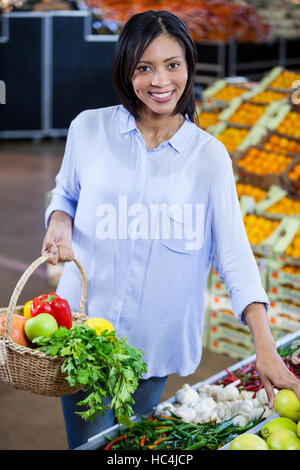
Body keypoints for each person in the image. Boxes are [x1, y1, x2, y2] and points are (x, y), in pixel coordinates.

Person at [42, 10, 300, 449]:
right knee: (89, 446)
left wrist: (265, 345)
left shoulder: (208, 157)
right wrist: (60, 225)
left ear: (188, 67)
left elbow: (234, 255)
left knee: (135, 448)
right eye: (145, 67)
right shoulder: (89, 128)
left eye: (172, 64)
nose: (160, 80)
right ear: (126, 70)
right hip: (84, 335)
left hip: (153, 341)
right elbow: (64, 195)